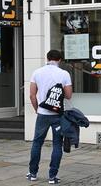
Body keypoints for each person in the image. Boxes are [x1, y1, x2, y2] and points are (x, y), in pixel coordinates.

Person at [26, 50, 72, 184]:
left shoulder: (37, 72)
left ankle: (33, 173)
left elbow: (32, 95)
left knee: (37, 143)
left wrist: (37, 109)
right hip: (58, 115)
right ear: (60, 60)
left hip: (43, 114)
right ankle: (52, 177)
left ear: (47, 58)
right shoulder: (64, 74)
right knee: (57, 144)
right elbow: (68, 95)